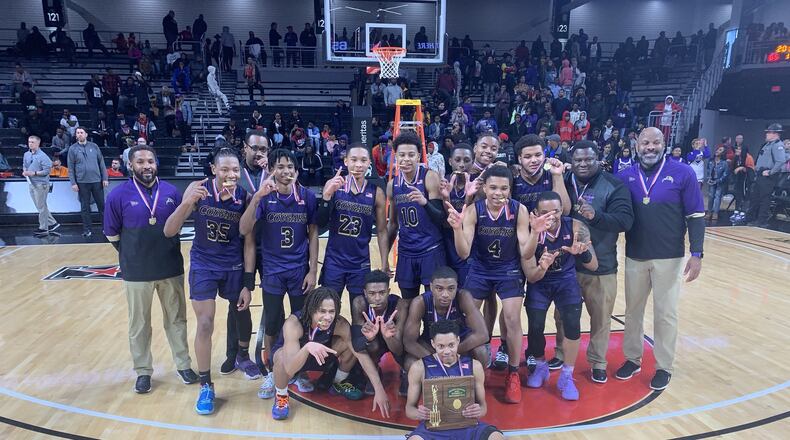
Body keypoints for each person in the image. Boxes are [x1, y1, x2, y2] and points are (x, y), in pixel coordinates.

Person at [163, 148, 256, 415]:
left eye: (235, 170)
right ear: (214, 170)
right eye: (225, 169)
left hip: (233, 265)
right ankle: (206, 384)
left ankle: (242, 355)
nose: (230, 174)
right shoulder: (198, 189)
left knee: (241, 311)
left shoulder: (244, 196)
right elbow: (169, 230)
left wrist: (248, 283)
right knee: (205, 323)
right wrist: (186, 203)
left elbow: (249, 242)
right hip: (204, 264)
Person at [445, 165, 546, 403]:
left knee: (512, 317)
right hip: (480, 269)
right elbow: (463, 252)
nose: (498, 193)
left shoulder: (519, 210)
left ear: (510, 189)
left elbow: (526, 251)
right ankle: (461, 366)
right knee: (465, 317)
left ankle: (513, 374)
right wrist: (457, 229)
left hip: (508, 269)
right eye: (493, 188)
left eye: (504, 188)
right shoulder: (473, 210)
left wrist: (535, 234)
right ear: (485, 188)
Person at [103, 145, 198, 394]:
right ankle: (143, 371)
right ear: (130, 165)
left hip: (170, 267)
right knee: (139, 325)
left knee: (177, 320)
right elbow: (112, 234)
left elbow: (179, 222)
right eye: (141, 162)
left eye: (150, 161)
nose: (147, 166)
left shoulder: (171, 192)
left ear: (157, 164)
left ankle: (184, 365)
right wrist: (131, 253)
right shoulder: (117, 195)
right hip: (136, 272)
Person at [615, 127, 705, 391]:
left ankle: (664, 366)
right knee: (632, 312)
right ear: (637, 145)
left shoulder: (683, 172)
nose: (650, 147)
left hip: (670, 257)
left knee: (666, 314)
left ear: (664, 144)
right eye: (645, 142)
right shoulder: (624, 176)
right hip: (635, 255)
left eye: (656, 142)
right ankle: (632, 359)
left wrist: (697, 253)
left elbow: (696, 216)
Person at [548, 142, 633, 383]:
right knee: (563, 315)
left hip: (602, 265)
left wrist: (597, 216)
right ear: (571, 162)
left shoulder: (614, 186)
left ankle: (598, 362)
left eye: (588, 159)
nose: (583, 164)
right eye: (578, 160)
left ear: (599, 160)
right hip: (565, 265)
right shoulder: (563, 181)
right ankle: (561, 353)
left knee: (600, 317)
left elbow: (625, 221)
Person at [239, 149, 319, 394]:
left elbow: (314, 234)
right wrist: (255, 198)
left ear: (296, 170)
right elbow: (244, 230)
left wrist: (313, 270)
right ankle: (275, 373)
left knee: (301, 323)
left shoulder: (306, 196)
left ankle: (299, 371)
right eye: (280, 167)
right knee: (273, 325)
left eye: (290, 167)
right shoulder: (264, 196)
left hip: (298, 271)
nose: (286, 171)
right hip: (273, 271)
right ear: (271, 170)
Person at [262, 287, 391, 420]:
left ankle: (337, 381)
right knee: (280, 357)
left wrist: (379, 389)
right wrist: (307, 347)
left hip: (321, 357)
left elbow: (360, 354)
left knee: (352, 345)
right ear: (312, 310)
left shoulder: (340, 323)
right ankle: (281, 397)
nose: (328, 317)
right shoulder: (294, 324)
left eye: (331, 311)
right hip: (294, 360)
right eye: (322, 311)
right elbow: (289, 368)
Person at [523, 191, 598, 401]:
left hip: (566, 281)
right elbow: (531, 275)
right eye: (545, 212)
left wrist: (581, 252)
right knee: (535, 326)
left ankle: (566, 375)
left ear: (562, 210)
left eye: (555, 211)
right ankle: (540, 366)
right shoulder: (530, 232)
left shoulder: (575, 227)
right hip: (540, 282)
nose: (551, 216)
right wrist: (542, 266)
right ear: (536, 213)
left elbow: (593, 265)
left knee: (572, 325)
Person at [405, 319, 504, 440]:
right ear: (433, 344)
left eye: (451, 345)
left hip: (467, 426)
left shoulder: (475, 366)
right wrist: (418, 414)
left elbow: (483, 407)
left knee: (497, 437)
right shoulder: (419, 368)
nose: (447, 351)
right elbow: (409, 409)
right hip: (434, 428)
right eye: (441, 346)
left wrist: (478, 410)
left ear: (458, 341)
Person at [318, 144, 389, 301]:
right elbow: (320, 221)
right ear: (346, 161)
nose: (358, 165)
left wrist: (385, 263)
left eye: (363, 160)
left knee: (360, 310)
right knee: (329, 308)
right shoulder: (335, 185)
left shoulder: (376, 193)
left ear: (369, 163)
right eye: (354, 160)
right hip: (334, 262)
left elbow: (382, 230)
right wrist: (326, 195)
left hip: (360, 264)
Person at [387, 131, 447, 299]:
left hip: (431, 249)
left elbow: (441, 218)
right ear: (396, 156)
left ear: (419, 156)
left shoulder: (429, 177)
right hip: (406, 251)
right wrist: (385, 257)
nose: (406, 159)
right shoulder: (393, 185)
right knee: (408, 302)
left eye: (411, 155)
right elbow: (393, 224)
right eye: (402, 155)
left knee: (433, 302)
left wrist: (425, 203)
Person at [402, 266, 489, 373]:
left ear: (457, 287)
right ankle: (425, 387)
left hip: (458, 344)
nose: (445, 294)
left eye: (451, 288)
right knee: (410, 362)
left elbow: (482, 335)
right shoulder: (420, 302)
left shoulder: (463, 297)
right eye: (439, 288)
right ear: (431, 287)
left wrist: (451, 353)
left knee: (481, 352)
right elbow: (408, 342)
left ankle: (474, 385)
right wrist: (436, 358)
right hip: (432, 345)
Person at [350, 270, 410, 393]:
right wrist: (368, 338)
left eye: (382, 293)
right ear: (365, 293)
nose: (377, 298)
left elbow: (398, 349)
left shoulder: (400, 305)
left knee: (407, 356)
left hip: (394, 342)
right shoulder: (359, 304)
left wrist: (388, 337)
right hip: (373, 343)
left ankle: (404, 372)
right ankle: (374, 372)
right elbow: (357, 345)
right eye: (372, 293)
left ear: (388, 292)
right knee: (369, 347)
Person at [440, 144, 474, 286]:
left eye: (466, 160)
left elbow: (472, 217)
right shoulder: (443, 183)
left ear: (472, 162)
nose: (461, 165)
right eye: (458, 160)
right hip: (446, 239)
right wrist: (445, 198)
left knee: (466, 288)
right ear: (450, 161)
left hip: (468, 240)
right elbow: (443, 218)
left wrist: (469, 197)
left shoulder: (476, 183)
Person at [68, 127, 109, 238]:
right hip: (82, 182)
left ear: (86, 134)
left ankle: (106, 228)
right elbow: (70, 168)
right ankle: (87, 230)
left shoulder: (94, 146)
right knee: (85, 207)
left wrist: (105, 178)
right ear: (76, 135)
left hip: (97, 181)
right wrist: (73, 183)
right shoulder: (72, 149)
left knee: (102, 206)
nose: (79, 134)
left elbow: (101, 163)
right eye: (78, 133)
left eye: (81, 132)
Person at [747, 123, 786, 227]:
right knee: (755, 197)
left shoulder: (778, 145)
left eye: (769, 132)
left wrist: (771, 172)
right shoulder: (768, 144)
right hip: (761, 174)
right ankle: (751, 218)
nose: (766, 134)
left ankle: (761, 221)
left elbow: (781, 161)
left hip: (767, 176)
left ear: (775, 134)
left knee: (764, 199)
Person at [23, 135, 60, 234]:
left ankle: (43, 228)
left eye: (32, 142)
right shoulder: (26, 154)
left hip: (41, 184)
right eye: (29, 142)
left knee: (41, 206)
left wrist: (34, 173)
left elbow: (46, 171)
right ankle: (53, 223)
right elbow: (25, 165)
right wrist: (25, 171)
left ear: (38, 143)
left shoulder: (43, 156)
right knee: (40, 206)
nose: (30, 144)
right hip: (31, 183)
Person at [729, 144, 755, 224]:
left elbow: (751, 170)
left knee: (745, 196)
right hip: (739, 179)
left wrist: (741, 168)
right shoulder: (736, 157)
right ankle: (736, 211)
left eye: (739, 150)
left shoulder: (748, 158)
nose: (737, 151)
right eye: (736, 149)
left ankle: (743, 212)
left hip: (746, 180)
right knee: (738, 195)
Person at [706, 145, 729, 222]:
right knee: (711, 196)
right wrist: (708, 178)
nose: (717, 151)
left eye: (720, 150)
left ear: (723, 153)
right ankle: (709, 212)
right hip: (711, 180)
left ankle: (715, 212)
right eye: (717, 149)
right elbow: (708, 170)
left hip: (719, 181)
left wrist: (718, 180)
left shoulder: (724, 163)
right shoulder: (711, 161)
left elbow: (725, 174)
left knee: (717, 196)